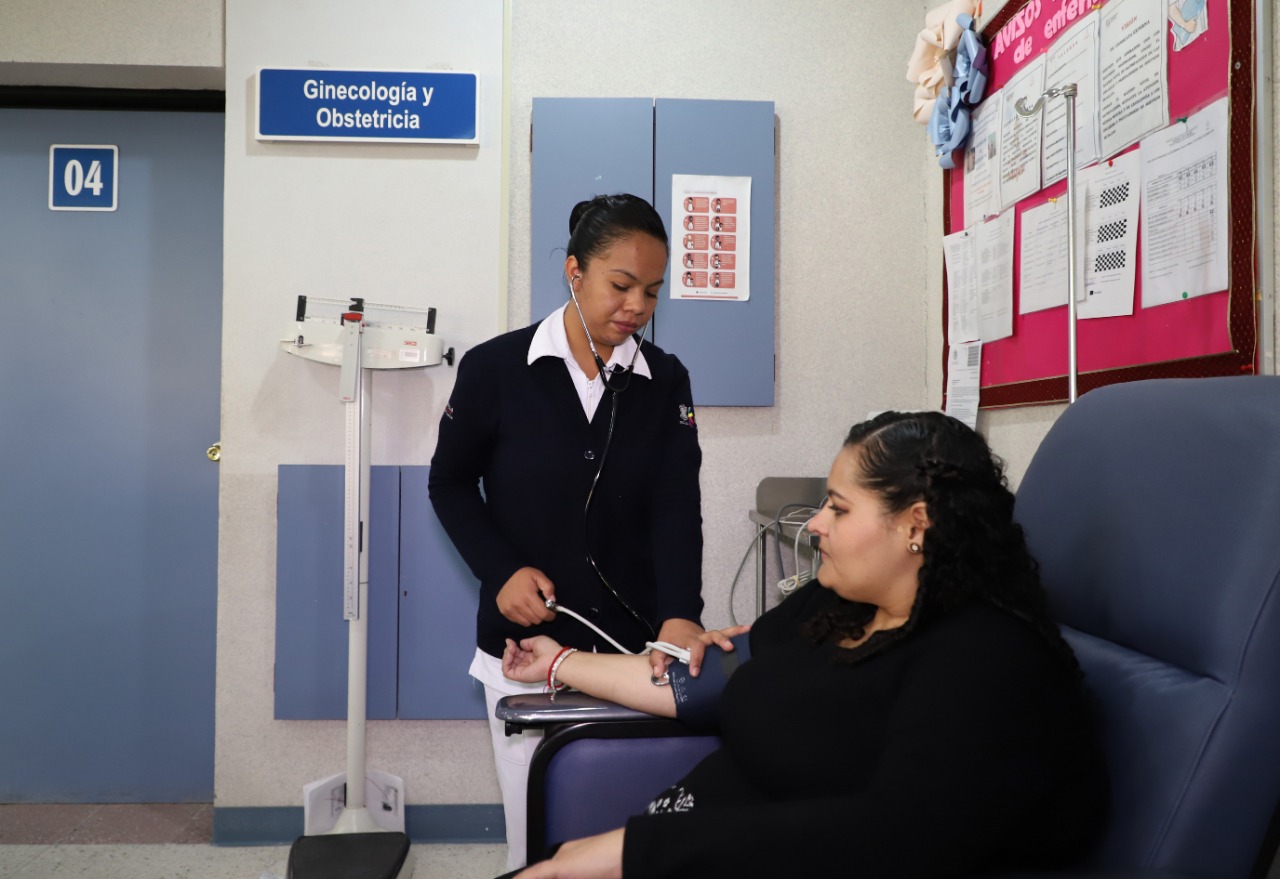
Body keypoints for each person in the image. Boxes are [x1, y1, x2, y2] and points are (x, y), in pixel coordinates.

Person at [500, 411, 1108, 878]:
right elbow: (708, 676)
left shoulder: (985, 663)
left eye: (839, 509)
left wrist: (633, 852)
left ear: (916, 525)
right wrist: (559, 662)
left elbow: (892, 837)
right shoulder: (838, 604)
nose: (815, 523)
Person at [428, 193, 707, 871]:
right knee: (540, 835)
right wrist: (501, 571)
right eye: (620, 284)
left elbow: (676, 507)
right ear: (574, 271)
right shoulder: (496, 369)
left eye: (652, 290)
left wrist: (679, 615)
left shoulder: (663, 379)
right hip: (524, 650)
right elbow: (451, 484)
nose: (637, 306)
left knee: (625, 837)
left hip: (635, 648)